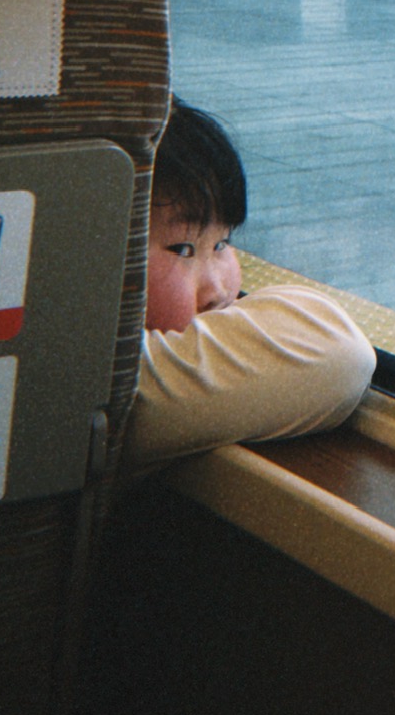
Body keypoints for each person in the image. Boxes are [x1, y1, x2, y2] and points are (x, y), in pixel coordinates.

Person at [125, 98, 375, 475]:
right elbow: (342, 354)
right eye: (182, 249)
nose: (216, 290)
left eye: (222, 244)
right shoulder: (116, 385)